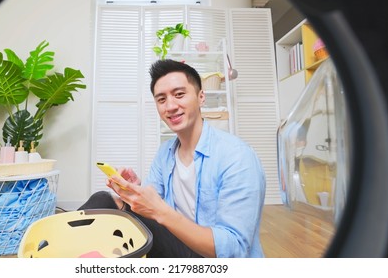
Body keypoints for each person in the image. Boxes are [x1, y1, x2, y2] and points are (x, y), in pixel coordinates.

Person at [80, 59, 266, 258]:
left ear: (201, 97)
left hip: (210, 256)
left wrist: (160, 212)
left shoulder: (237, 156)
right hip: (176, 243)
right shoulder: (166, 152)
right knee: (104, 200)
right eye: (161, 99)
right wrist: (135, 191)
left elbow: (234, 250)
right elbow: (153, 203)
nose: (170, 106)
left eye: (179, 94)